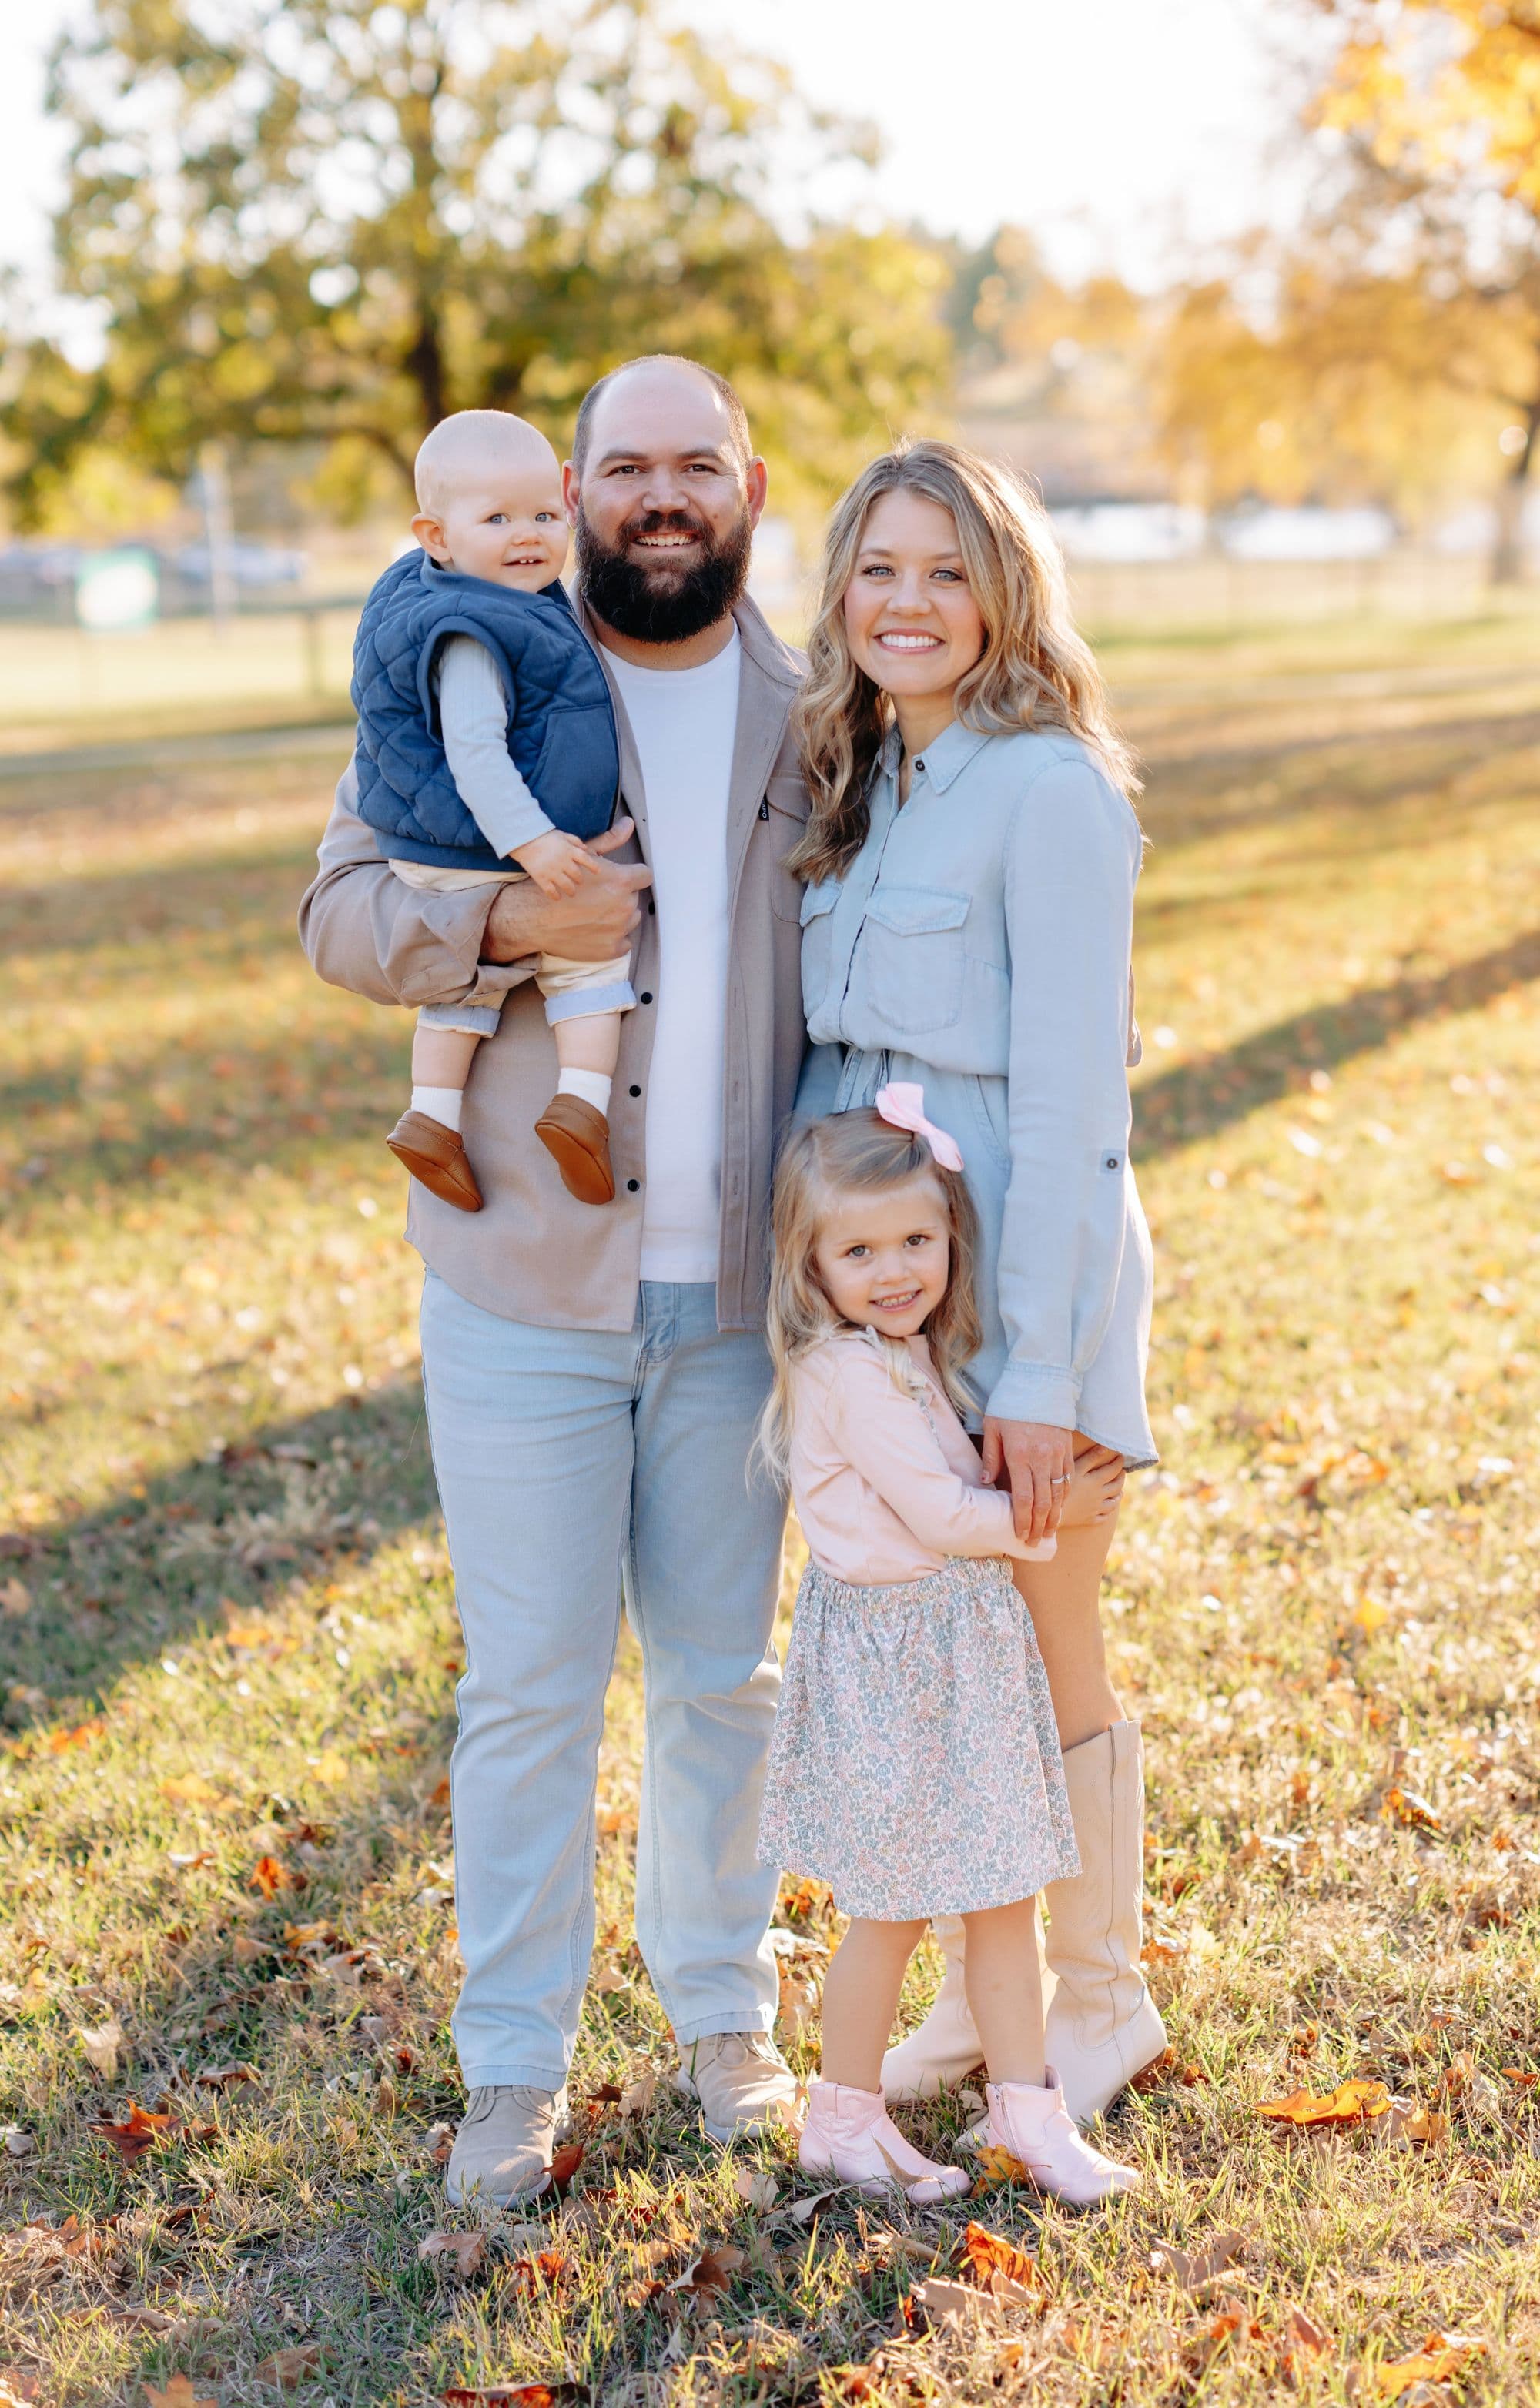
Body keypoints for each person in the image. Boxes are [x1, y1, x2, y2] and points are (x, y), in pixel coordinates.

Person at [299, 356, 814, 2203]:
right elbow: (340, 909)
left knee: (720, 1680)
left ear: (743, 482)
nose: (657, 494)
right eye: (622, 466)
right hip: (520, 1283)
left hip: (741, 1299)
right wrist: (509, 916)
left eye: (694, 463)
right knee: (525, 1688)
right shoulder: (482, 651)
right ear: (572, 489)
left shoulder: (817, 703)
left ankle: (722, 2020)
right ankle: (513, 2066)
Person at [793, 437, 1167, 2126]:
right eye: (881, 568)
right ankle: (979, 1988)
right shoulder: (877, 784)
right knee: (961, 1652)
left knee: (1046, 1625)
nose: (910, 601)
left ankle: (1102, 1997)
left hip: (1027, 1296)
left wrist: (1034, 1369)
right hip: (899, 1301)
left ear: (1005, 589)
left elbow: (1082, 1100)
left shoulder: (1054, 788)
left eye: (947, 569)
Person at [755, 1096, 1137, 2204]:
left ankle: (1029, 2110)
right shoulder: (841, 1371)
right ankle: (842, 2115)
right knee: (891, 1903)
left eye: (916, 1241)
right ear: (812, 1262)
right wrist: (1048, 1515)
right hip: (895, 1664)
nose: (893, 1270)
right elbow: (932, 1512)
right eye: (860, 1249)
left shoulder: (910, 1352)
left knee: (1006, 1890)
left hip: (964, 1651)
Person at [353, 410, 634, 1212]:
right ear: (435, 537)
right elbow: (475, 749)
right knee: (586, 961)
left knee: (464, 992)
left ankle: (432, 1117)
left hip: (461, 839)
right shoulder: (471, 627)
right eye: (498, 518)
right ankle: (581, 1102)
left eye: (545, 516)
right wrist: (537, 843)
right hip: (474, 842)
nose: (528, 536)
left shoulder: (503, 601)